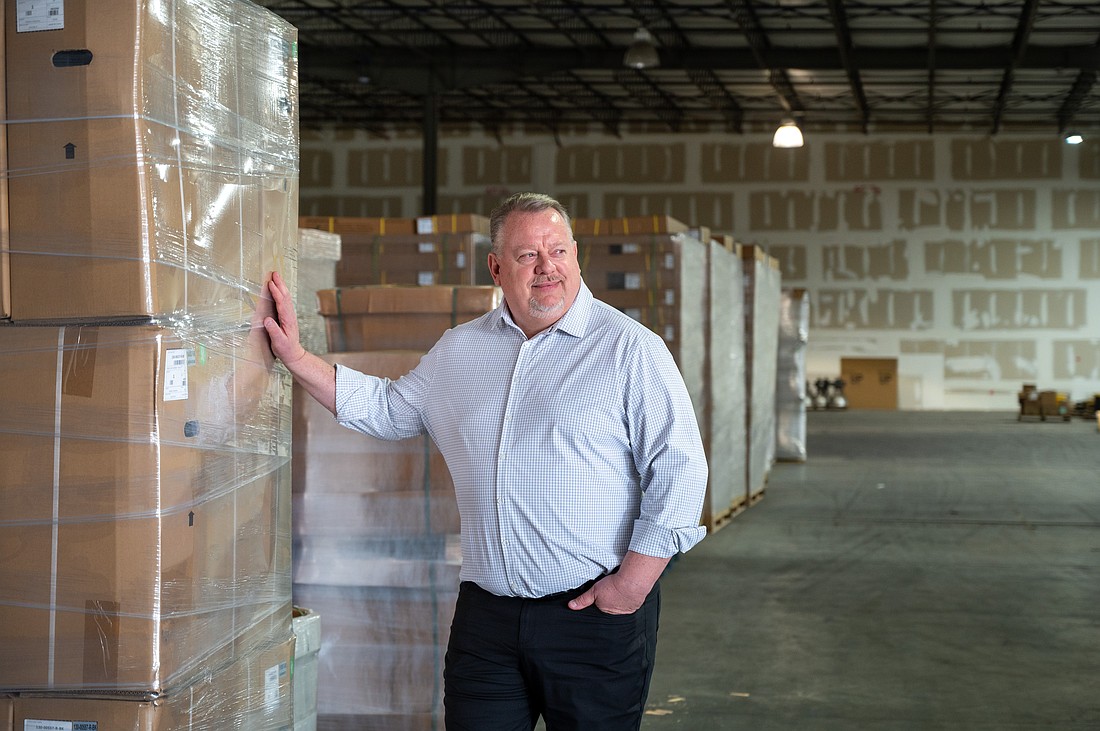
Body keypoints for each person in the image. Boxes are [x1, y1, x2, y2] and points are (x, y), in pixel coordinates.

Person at [263, 192, 708, 730]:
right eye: (527, 256)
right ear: (496, 267)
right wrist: (295, 358)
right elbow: (388, 409)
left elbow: (680, 469)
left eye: (559, 251)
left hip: (593, 613)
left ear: (576, 256)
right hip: (488, 619)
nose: (547, 267)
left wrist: (631, 585)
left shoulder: (628, 350)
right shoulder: (460, 351)